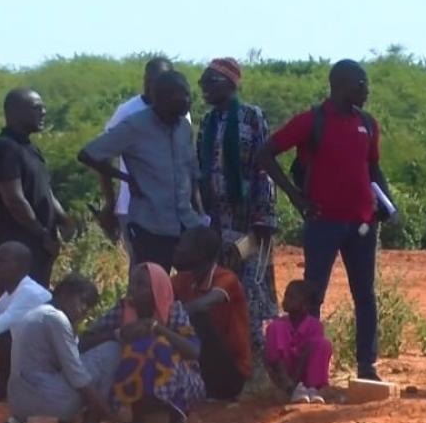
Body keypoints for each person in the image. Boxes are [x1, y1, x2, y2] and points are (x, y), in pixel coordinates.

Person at [257, 60, 393, 381]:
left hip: (362, 223)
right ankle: (305, 368)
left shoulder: (369, 124)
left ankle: (366, 365)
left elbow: (372, 169)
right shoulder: (311, 121)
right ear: (340, 84)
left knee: (365, 294)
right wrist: (295, 196)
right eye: (361, 84)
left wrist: (385, 202)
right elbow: (265, 153)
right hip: (323, 222)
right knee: (313, 294)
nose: (367, 90)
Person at [79, 70, 203, 270]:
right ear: (161, 97)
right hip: (151, 225)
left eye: (188, 94)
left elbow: (192, 173)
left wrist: (201, 216)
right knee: (151, 288)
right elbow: (88, 154)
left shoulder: (184, 128)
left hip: (186, 224)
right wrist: (126, 178)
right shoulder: (135, 126)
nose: (188, 100)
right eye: (181, 94)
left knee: (190, 286)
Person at [196, 57, 278, 356]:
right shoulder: (206, 122)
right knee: (221, 286)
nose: (204, 90)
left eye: (210, 83)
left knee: (251, 286)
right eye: (202, 84)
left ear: (230, 84)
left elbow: (263, 168)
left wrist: (263, 218)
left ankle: (255, 356)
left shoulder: (251, 116)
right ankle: (228, 354)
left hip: (249, 223)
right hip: (218, 222)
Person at [80, 263, 203, 423]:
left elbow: (193, 352)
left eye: (140, 285)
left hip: (183, 382)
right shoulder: (124, 310)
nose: (132, 289)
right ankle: (136, 417)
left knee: (158, 345)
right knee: (134, 349)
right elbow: (84, 341)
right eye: (132, 283)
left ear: (156, 289)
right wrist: (119, 333)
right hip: (137, 385)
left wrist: (159, 329)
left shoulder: (174, 310)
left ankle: (177, 417)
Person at [8, 275, 132, 423]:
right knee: (112, 350)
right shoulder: (56, 319)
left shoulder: (39, 312)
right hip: (49, 403)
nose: (84, 310)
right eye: (82, 302)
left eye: (88, 307)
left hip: (18, 404)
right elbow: (78, 378)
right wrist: (116, 422)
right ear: (65, 294)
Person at [0, 88, 75, 287]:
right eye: (36, 107)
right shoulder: (5, 147)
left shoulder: (30, 149)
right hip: (18, 247)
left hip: (38, 245)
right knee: (17, 303)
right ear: (13, 112)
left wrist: (64, 219)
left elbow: (45, 191)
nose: (43, 112)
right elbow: (13, 199)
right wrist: (41, 234)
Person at [96, 57, 181, 244]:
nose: (153, 87)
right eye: (149, 81)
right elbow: (101, 157)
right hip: (135, 208)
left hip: (172, 208)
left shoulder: (180, 110)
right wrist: (110, 202)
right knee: (143, 268)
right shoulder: (128, 112)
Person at [171, 226, 251, 401]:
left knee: (197, 317)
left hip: (231, 372)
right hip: (204, 364)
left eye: (183, 245)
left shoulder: (226, 278)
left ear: (200, 252)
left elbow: (203, 304)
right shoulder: (184, 279)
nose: (177, 249)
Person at [0, 241, 53, 402]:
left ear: (19, 267)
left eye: (1, 261)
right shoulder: (13, 291)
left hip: (49, 366)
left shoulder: (29, 293)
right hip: (33, 360)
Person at [265, 281, 333, 404]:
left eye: (292, 297)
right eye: (286, 295)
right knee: (275, 328)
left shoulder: (315, 326)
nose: (286, 300)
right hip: (285, 376)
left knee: (323, 344)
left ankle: (313, 389)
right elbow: (274, 359)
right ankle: (290, 389)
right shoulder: (278, 325)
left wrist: (297, 380)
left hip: (304, 374)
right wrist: (290, 383)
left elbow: (310, 353)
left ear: (305, 305)